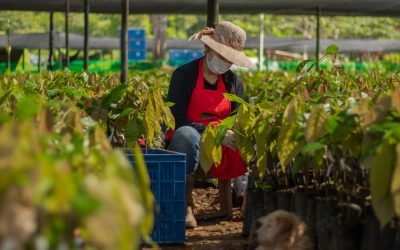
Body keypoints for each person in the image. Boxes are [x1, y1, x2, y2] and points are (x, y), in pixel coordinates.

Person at [167, 21, 255, 228]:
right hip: (192, 136)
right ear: (207, 48)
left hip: (222, 139)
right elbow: (178, 119)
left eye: (229, 59)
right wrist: (212, 131)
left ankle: (244, 199)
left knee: (248, 139)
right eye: (222, 56)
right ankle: (185, 205)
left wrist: (230, 133)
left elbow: (235, 117)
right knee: (185, 135)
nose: (225, 63)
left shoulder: (233, 81)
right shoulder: (184, 75)